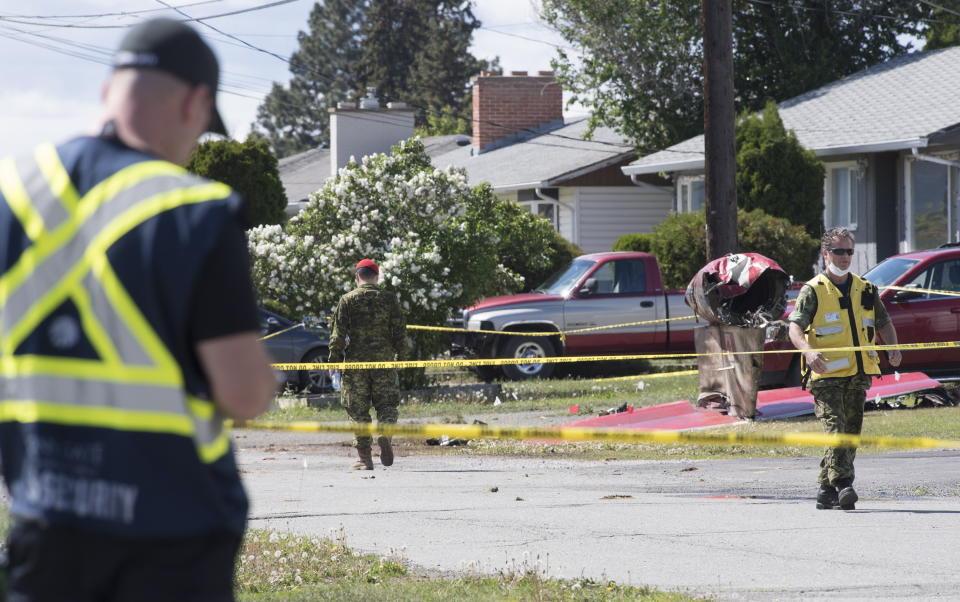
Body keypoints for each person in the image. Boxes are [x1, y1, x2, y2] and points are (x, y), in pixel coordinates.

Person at [0, 18, 277, 601]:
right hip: (170, 536)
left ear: (109, 90)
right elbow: (244, 394)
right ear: (196, 104)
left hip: (45, 525)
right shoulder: (196, 210)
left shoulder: (12, 193)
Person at [788, 227, 901, 511]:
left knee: (851, 432)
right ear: (825, 253)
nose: (844, 257)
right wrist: (808, 351)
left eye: (849, 251)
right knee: (834, 429)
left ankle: (826, 490)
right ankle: (844, 484)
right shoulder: (812, 289)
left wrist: (893, 348)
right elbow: (794, 328)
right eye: (838, 251)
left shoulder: (866, 288)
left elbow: (884, 322)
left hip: (859, 372)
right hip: (825, 375)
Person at [328, 259, 407, 470]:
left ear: (357, 277)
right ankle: (385, 435)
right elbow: (400, 332)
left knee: (358, 411)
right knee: (387, 405)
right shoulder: (389, 299)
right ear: (377, 276)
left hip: (356, 364)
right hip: (384, 362)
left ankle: (364, 459)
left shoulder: (347, 300)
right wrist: (402, 358)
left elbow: (338, 334)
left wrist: (333, 360)